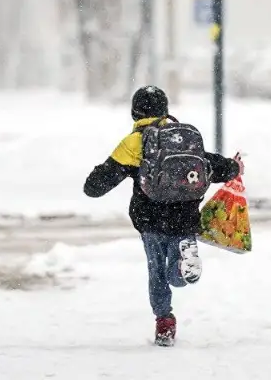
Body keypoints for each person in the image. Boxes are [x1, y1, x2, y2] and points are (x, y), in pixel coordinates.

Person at [83, 85, 243, 346]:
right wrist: (235, 166)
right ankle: (183, 262)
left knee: (157, 272)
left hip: (151, 219)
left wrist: (99, 175)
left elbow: (95, 187)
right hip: (186, 216)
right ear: (166, 110)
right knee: (176, 274)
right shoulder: (184, 137)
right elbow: (211, 165)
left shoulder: (134, 142)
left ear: (135, 112)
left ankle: (164, 323)